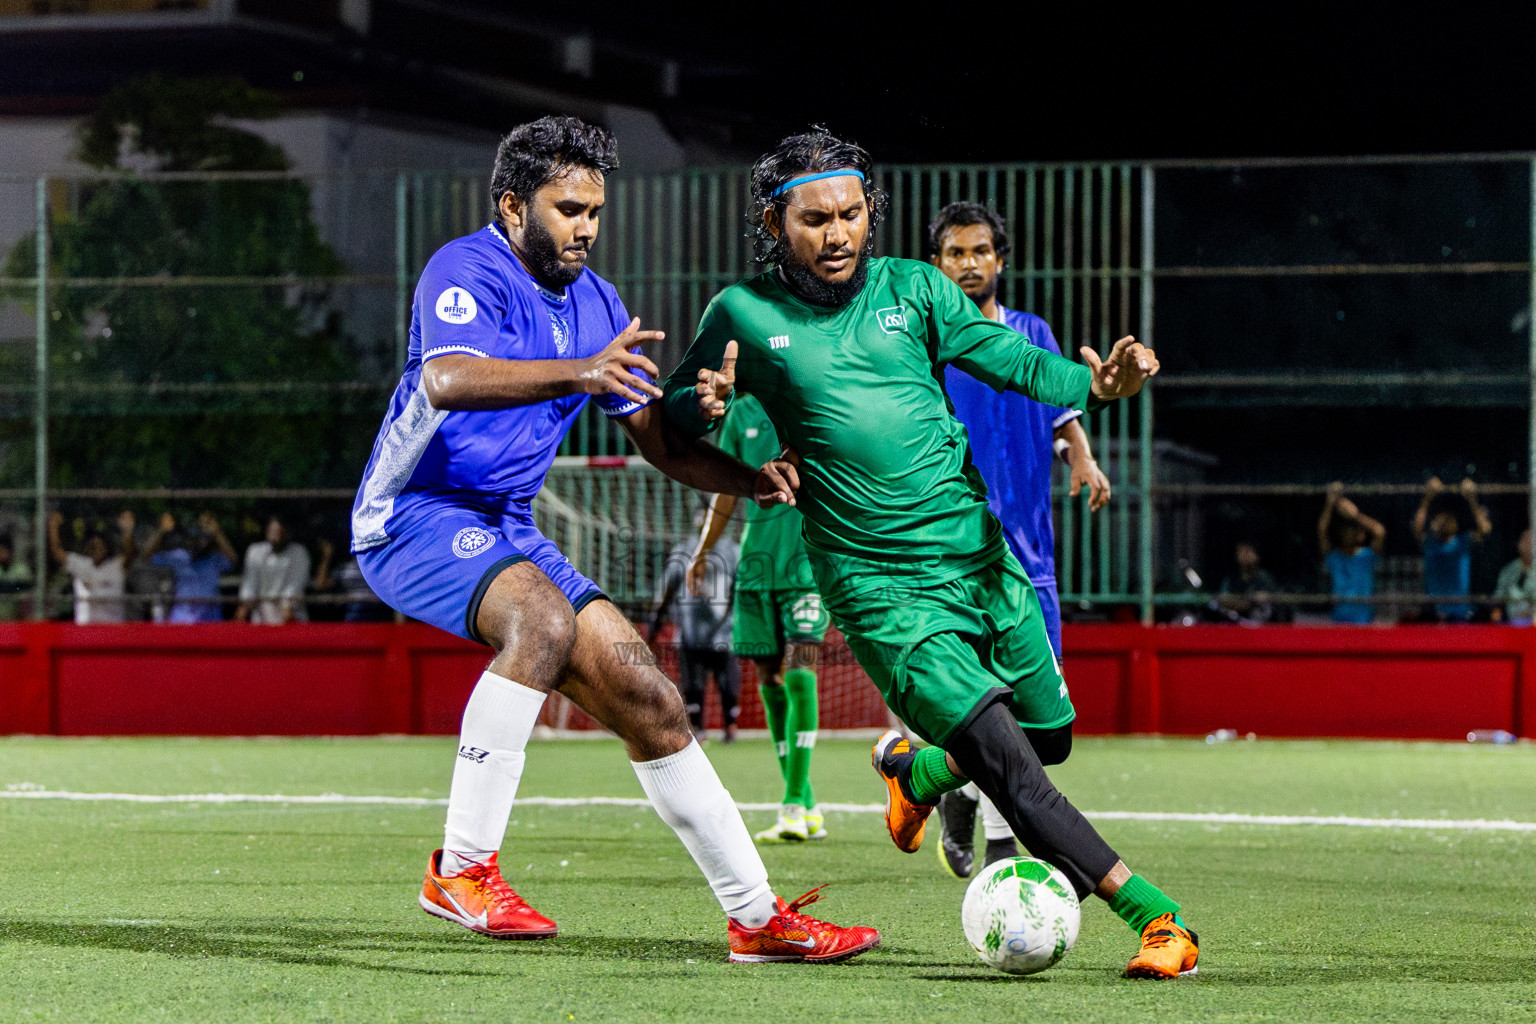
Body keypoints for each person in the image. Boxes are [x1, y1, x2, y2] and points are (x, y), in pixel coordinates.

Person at [662, 129, 1196, 979]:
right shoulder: (742, 313)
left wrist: (1095, 385)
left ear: (871, 212)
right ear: (774, 221)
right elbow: (671, 421)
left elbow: (1008, 357)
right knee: (1013, 766)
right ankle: (1158, 918)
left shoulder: (915, 288)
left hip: (979, 557)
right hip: (879, 587)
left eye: (851, 214)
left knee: (1049, 738)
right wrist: (703, 406)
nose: (837, 234)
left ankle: (917, 772)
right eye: (814, 219)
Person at [349, 116, 876, 962]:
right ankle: (462, 870)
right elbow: (446, 378)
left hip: (507, 530)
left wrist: (740, 462)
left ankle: (756, 918)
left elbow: (658, 440)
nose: (586, 226)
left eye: (594, 209)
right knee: (544, 625)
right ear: (513, 205)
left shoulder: (596, 303)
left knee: (653, 700)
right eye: (567, 209)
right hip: (413, 515)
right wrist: (582, 372)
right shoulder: (465, 267)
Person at [923, 201, 1113, 878]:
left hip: (1029, 559)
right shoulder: (929, 339)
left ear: (1000, 261)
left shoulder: (1032, 333)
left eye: (980, 251)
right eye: (955, 252)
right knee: (973, 706)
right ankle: (1002, 847)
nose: (969, 263)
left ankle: (961, 798)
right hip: (951, 556)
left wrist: (1082, 458)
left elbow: (1062, 415)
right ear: (936, 264)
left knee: (1037, 722)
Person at [690, 391, 833, 843]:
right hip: (756, 563)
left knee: (801, 672)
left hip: (808, 561)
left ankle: (791, 803)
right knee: (770, 679)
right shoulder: (742, 414)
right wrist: (702, 552)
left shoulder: (812, 396)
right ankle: (806, 802)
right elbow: (726, 492)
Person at [650, 508, 741, 742]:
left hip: (723, 631)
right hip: (691, 630)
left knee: (727, 682)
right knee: (693, 684)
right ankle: (698, 728)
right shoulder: (683, 551)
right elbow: (667, 588)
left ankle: (730, 726)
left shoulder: (732, 552)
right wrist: (655, 622)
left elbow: (743, 590)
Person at [1411, 477, 1492, 622]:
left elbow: (1484, 529)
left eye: (1448, 519)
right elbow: (1417, 527)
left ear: (1456, 525)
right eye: (1439, 519)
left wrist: (1472, 498)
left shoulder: (1463, 541)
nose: (1444, 522)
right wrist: (1428, 497)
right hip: (1434, 614)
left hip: (1460, 613)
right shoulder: (1429, 542)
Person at [144, 512, 238, 623]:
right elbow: (147, 555)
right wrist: (161, 531)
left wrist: (217, 533)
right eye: (195, 539)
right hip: (182, 618)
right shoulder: (178, 557)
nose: (198, 543)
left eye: (203, 539)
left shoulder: (214, 559)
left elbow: (234, 560)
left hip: (210, 618)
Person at [48, 510, 134, 624]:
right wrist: (53, 527)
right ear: (87, 548)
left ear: (106, 548)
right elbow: (57, 551)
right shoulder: (80, 564)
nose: (96, 550)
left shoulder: (116, 565)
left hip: (113, 629)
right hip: (86, 632)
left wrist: (127, 532)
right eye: (92, 546)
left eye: (100, 546)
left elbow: (130, 554)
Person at [1317, 482, 1386, 624]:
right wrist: (1330, 503)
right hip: (1339, 621)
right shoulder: (1334, 557)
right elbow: (1321, 532)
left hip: (1364, 621)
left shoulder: (1367, 556)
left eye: (1352, 530)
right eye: (1344, 530)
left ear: (1359, 535)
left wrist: (1355, 515)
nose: (1347, 534)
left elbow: (1379, 531)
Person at [235, 516, 311, 624]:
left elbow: (294, 586)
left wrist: (287, 609)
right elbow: (250, 584)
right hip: (261, 620)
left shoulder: (299, 553)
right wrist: (243, 608)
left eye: (279, 532)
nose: (275, 536)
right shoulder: (255, 551)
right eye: (272, 532)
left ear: (288, 533)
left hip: (292, 619)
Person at [311, 539, 391, 622]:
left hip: (378, 612)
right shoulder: (344, 569)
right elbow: (321, 584)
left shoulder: (380, 566)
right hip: (353, 613)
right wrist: (326, 556)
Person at [1216, 541, 1280, 624]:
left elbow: (1275, 599)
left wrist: (1263, 598)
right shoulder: (1230, 579)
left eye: (1248, 551)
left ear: (1256, 555)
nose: (1245, 556)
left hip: (1259, 623)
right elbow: (1222, 598)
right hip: (1234, 622)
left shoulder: (1265, 578)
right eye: (1241, 552)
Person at [1492, 528, 1533, 626]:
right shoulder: (1508, 570)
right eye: (1525, 540)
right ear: (1518, 544)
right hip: (1513, 624)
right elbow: (1499, 596)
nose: (1528, 544)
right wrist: (1496, 609)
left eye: (1532, 540)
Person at [0, 535, 34, 622]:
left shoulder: (20, 567)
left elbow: (25, 587)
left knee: (24, 596)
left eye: (3, 550)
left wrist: (11, 587)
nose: (1, 553)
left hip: (16, 619)